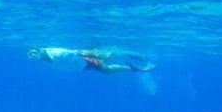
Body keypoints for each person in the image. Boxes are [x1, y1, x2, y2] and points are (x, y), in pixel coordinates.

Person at [27, 47, 155, 74]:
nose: (39, 59)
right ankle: (131, 65)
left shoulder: (57, 53)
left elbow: (77, 52)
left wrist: (98, 55)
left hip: (84, 61)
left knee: (107, 68)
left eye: (37, 56)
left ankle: (133, 65)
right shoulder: (45, 60)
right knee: (107, 69)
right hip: (80, 66)